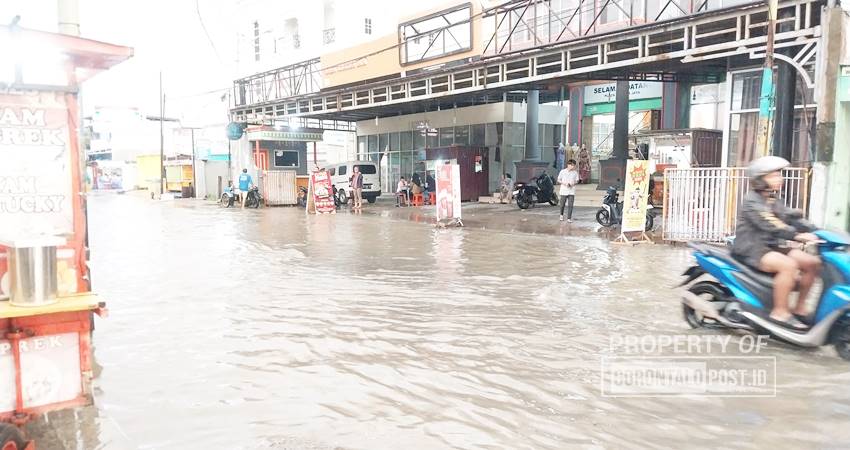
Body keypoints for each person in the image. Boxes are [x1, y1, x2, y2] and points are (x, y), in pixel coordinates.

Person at [731, 156, 821, 330]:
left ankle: (799, 308)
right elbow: (772, 224)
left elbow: (788, 216)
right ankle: (780, 312)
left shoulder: (772, 198)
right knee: (789, 266)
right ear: (760, 179)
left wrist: (815, 230)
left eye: (779, 175)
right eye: (773, 176)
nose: (780, 179)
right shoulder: (751, 201)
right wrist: (797, 236)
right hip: (752, 248)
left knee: (812, 262)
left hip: (770, 246)